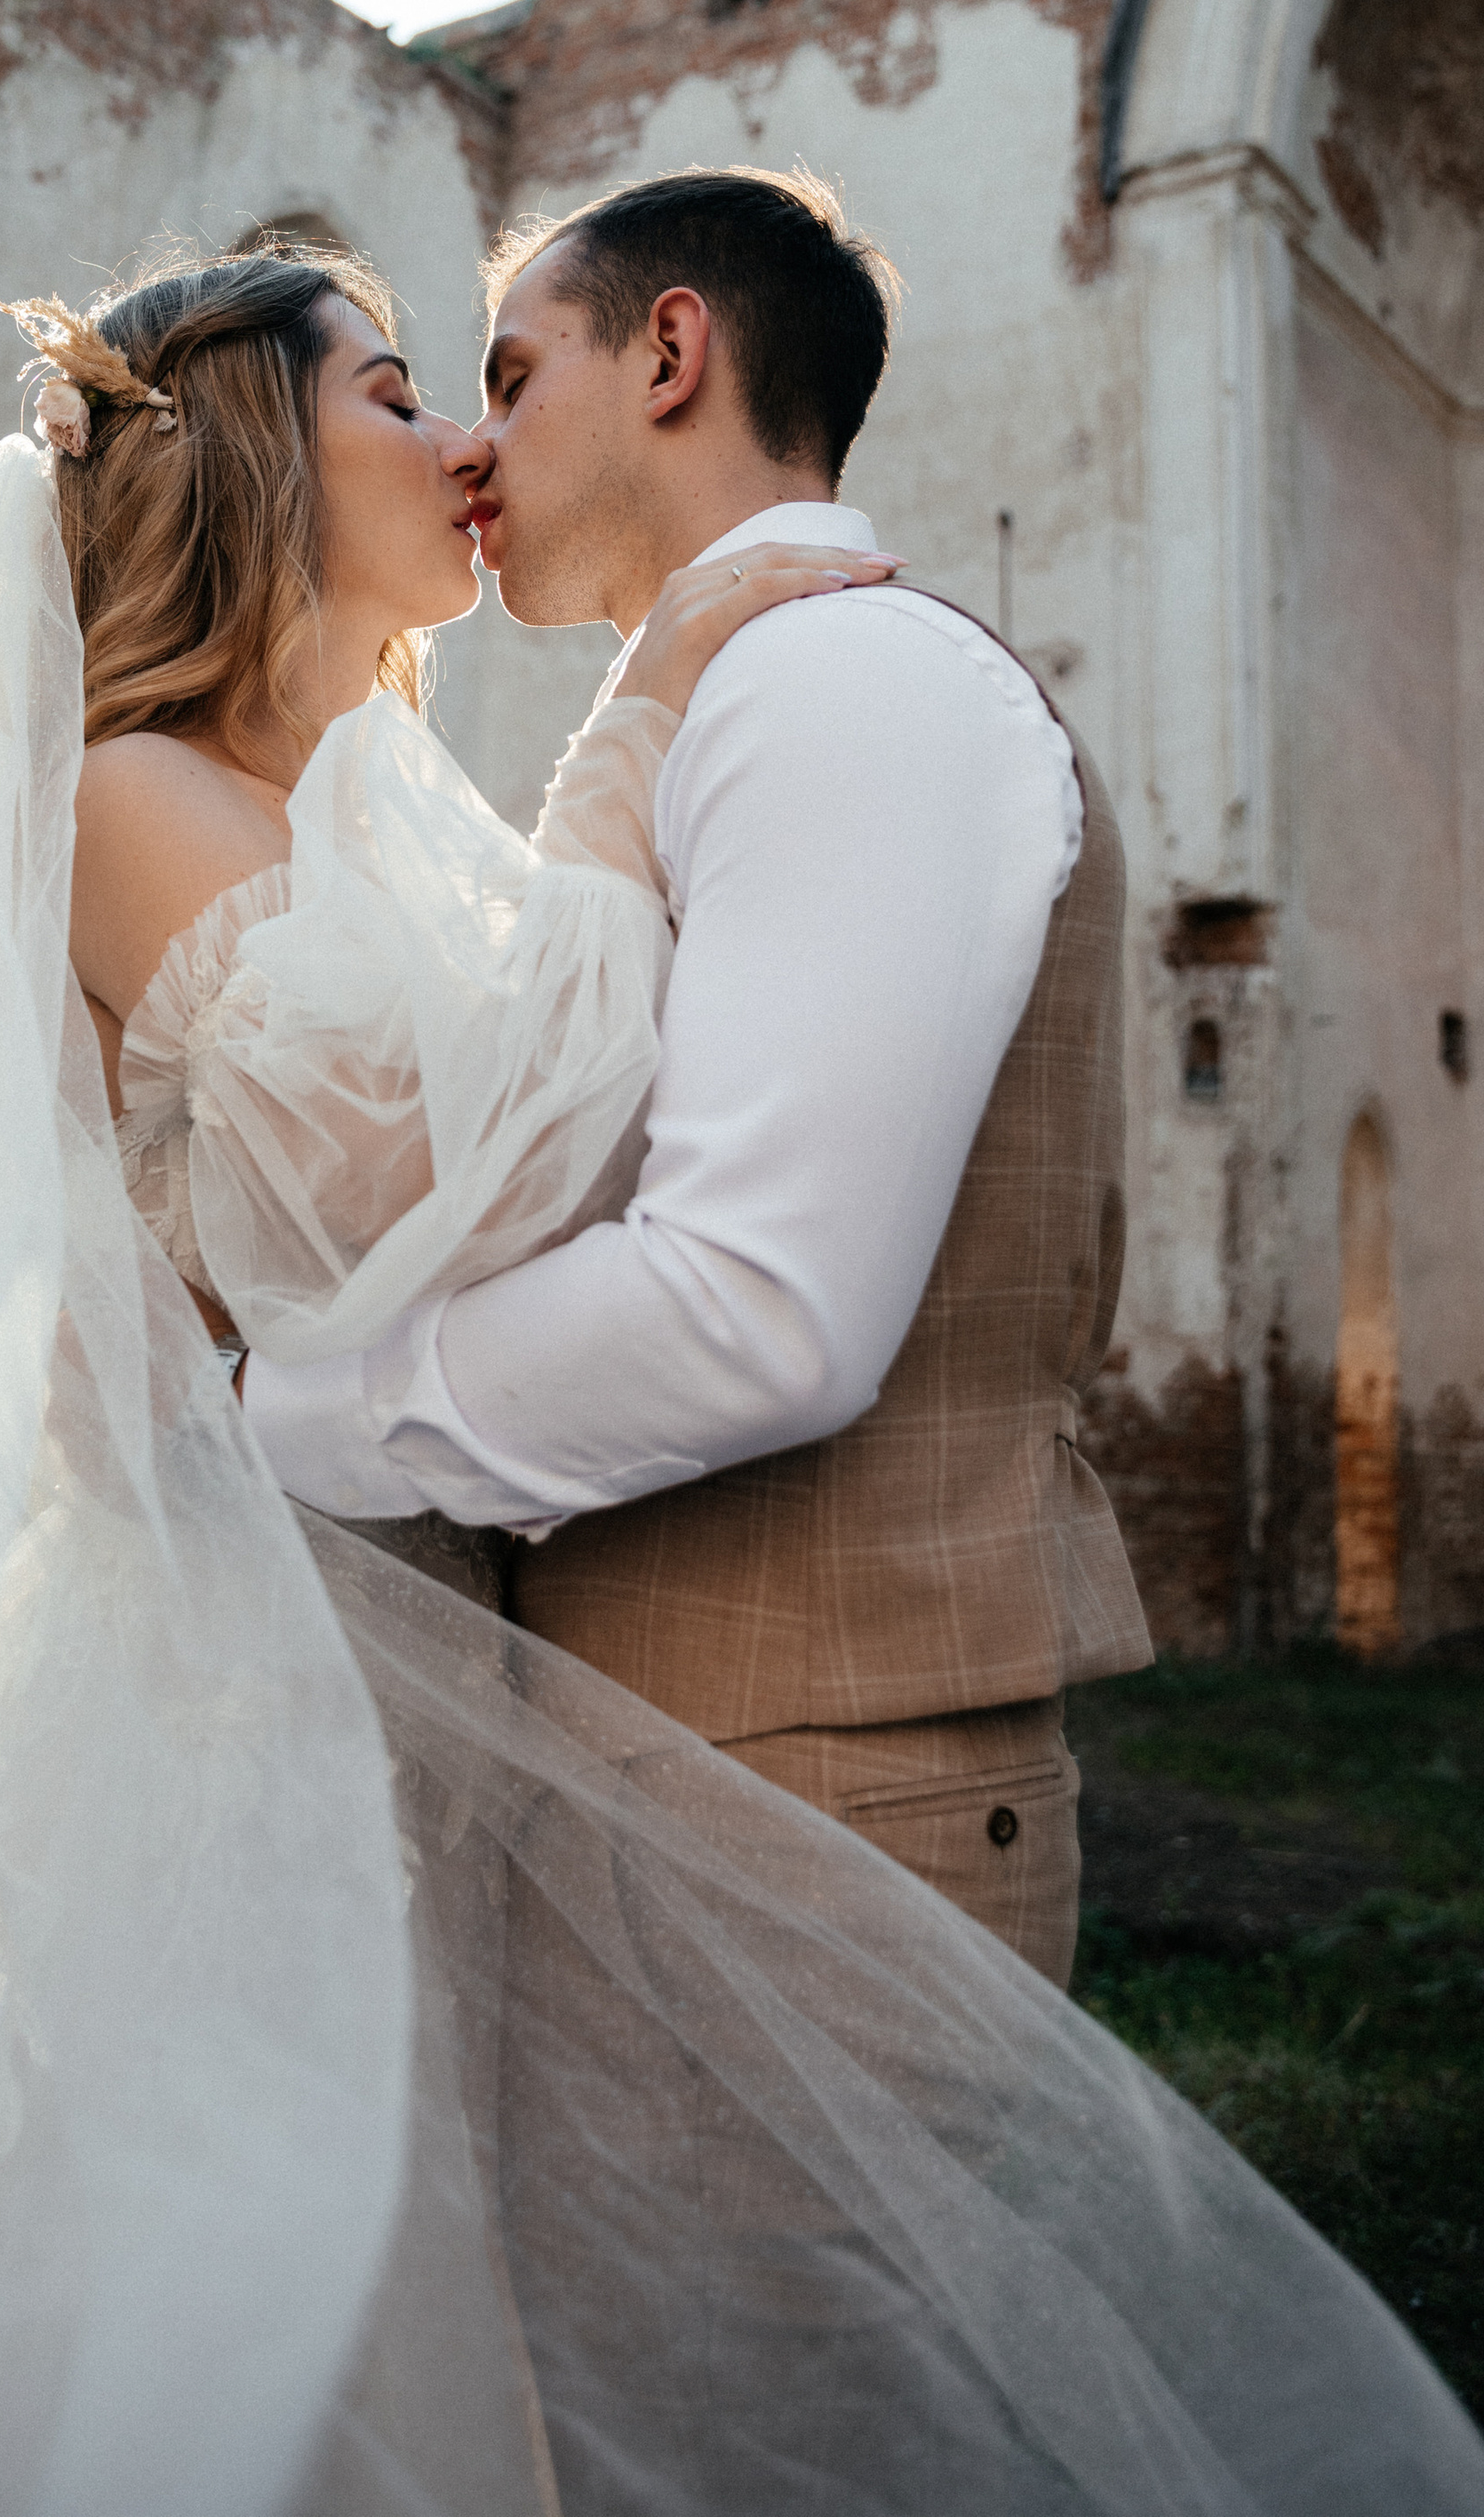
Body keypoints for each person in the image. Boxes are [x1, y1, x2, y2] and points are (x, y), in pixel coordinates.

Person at [0, 237, 1484, 2517]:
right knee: (207, 2314)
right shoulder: (126, 793)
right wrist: (635, 735)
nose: (465, 444)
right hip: (227, 1684)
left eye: (481, 384)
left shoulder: (385, 811)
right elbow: (473, 1172)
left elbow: (587, 1133)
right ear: (254, 471)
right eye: (407, 393)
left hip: (411, 1665)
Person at [235, 169, 1150, 1990]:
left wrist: (277, 1420)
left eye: (508, 378)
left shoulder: (840, 679)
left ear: (669, 352)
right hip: (674, 1772)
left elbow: (750, 1308)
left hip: (800, 1808)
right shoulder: (712, 701)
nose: (471, 450)